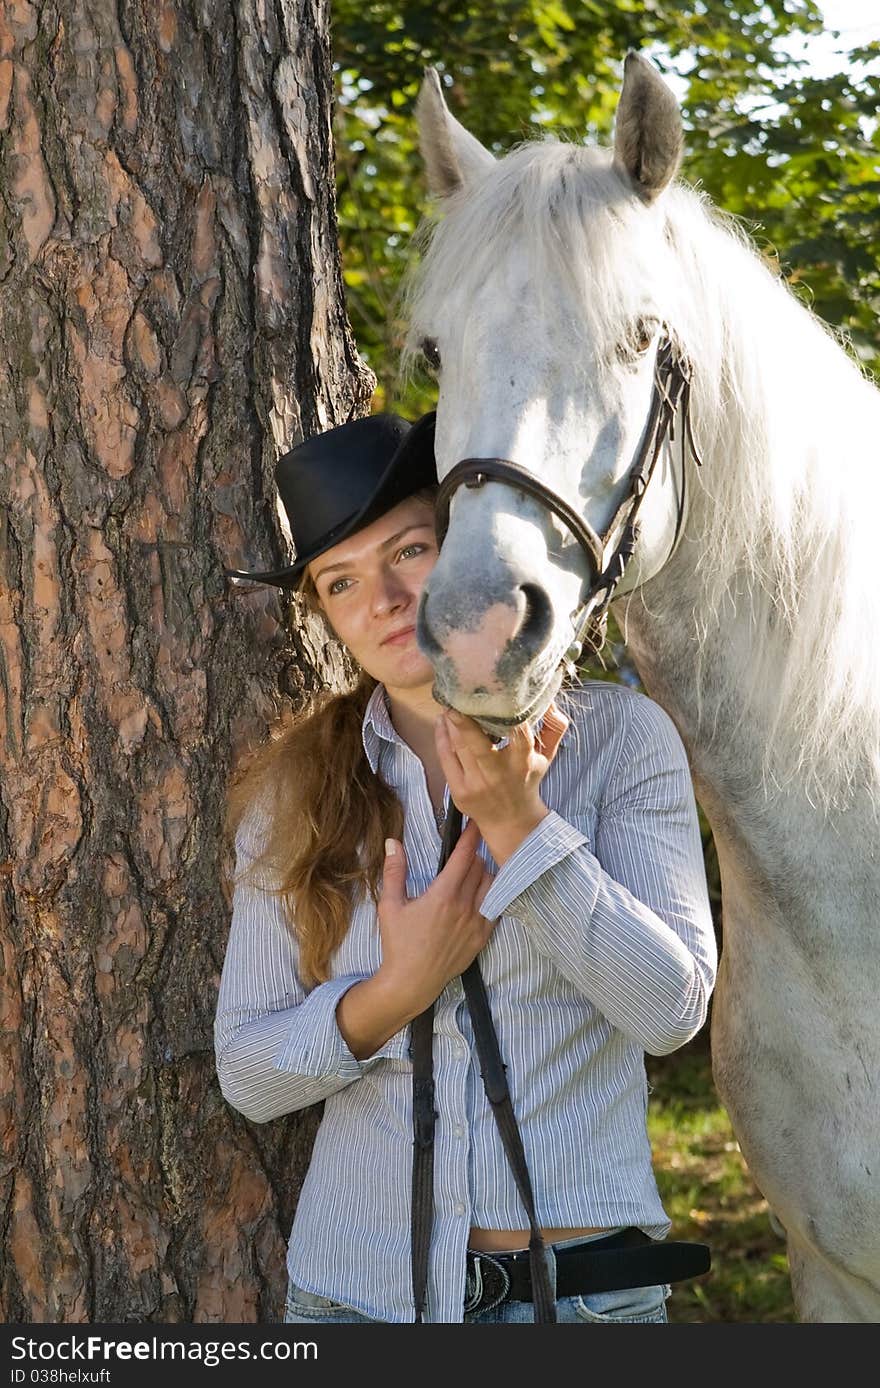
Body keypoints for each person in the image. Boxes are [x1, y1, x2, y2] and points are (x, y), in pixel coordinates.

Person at [216, 411, 717, 1325]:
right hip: (356, 1300)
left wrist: (519, 825)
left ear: (463, 549)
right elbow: (248, 1073)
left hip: (578, 1303)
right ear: (325, 612)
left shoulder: (617, 741)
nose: (385, 599)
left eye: (408, 551)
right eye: (342, 580)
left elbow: (671, 1011)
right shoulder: (291, 794)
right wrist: (399, 987)